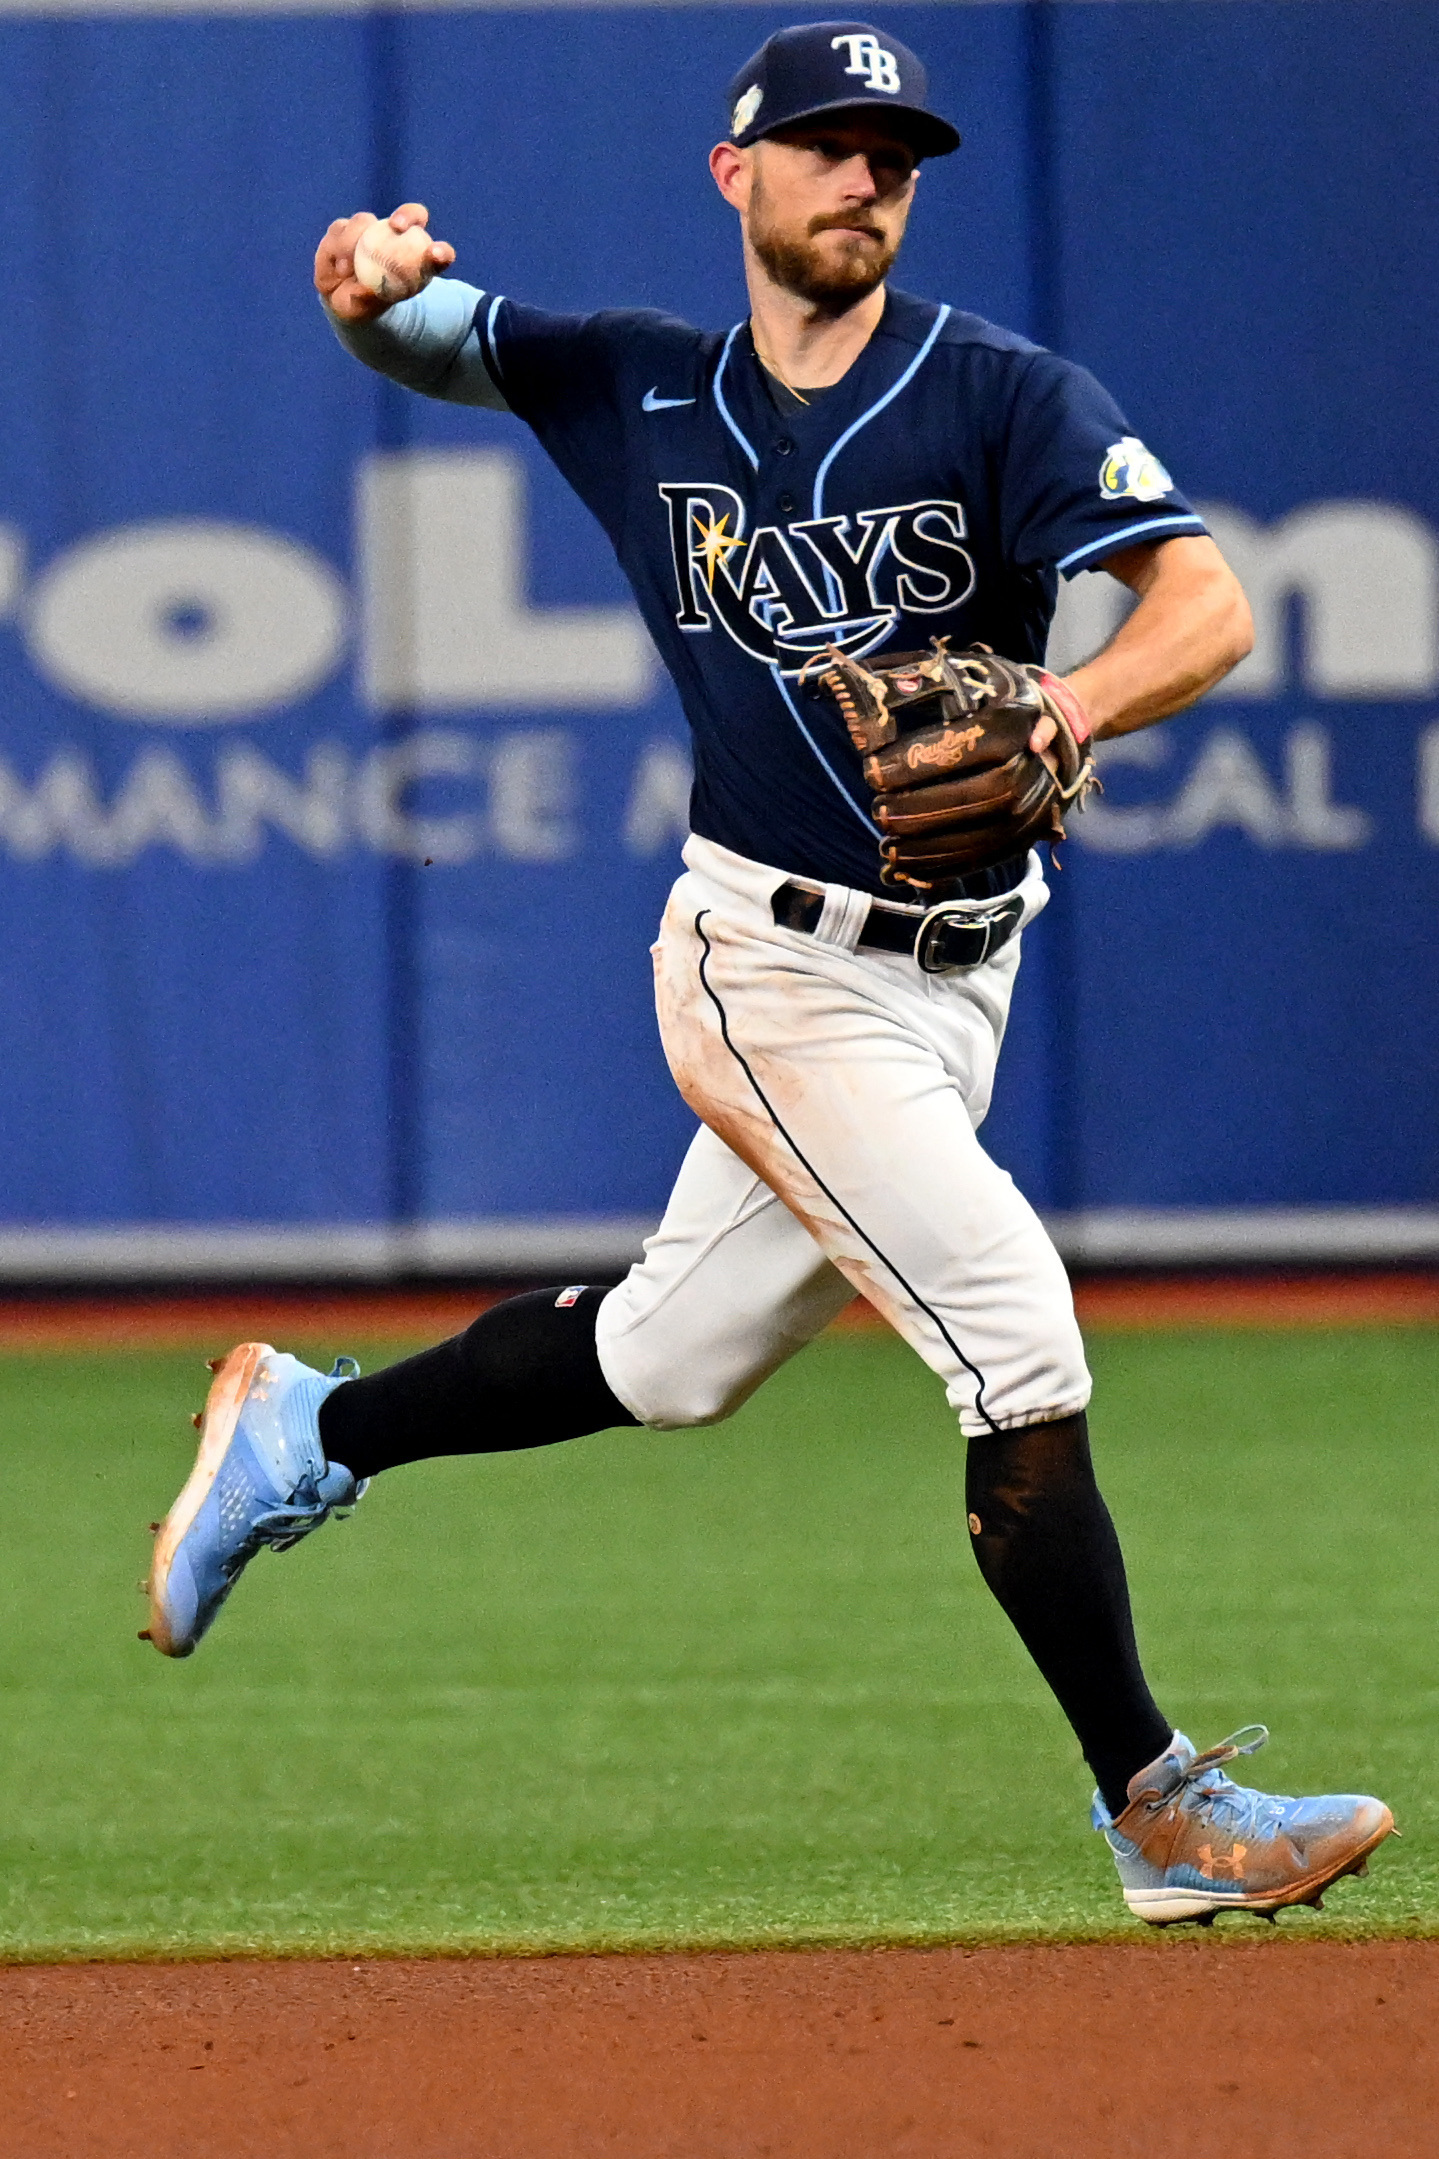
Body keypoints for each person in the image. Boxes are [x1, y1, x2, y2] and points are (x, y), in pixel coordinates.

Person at [143, 22, 1392, 1925]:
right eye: (824, 145)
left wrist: (1067, 695)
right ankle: (1157, 1813)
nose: (864, 177)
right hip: (766, 963)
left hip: (956, 980)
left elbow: (1203, 603)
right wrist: (364, 283)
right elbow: (428, 333)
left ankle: (312, 1427)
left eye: (894, 151)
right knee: (1013, 1323)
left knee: (671, 1353)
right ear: (739, 176)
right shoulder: (635, 383)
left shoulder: (996, 394)